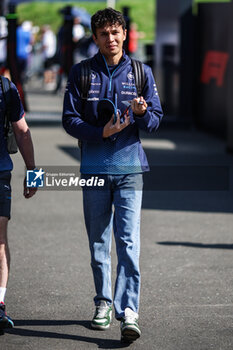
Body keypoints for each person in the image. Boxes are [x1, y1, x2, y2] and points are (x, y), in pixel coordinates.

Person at [62, 8, 163, 343]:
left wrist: (143, 112)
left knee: (129, 241)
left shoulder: (141, 71)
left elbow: (154, 121)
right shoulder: (81, 73)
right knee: (99, 242)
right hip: (94, 169)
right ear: (95, 38)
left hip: (130, 168)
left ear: (124, 33)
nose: (111, 38)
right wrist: (100, 132)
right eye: (104, 34)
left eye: (116, 32)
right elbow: (69, 120)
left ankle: (129, 311)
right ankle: (103, 302)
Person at [0, 78, 37, 330]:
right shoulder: (6, 87)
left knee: (0, 241)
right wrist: (34, 175)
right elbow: (23, 131)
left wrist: (35, 174)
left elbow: (23, 131)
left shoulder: (6, 88)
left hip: (0, 172)